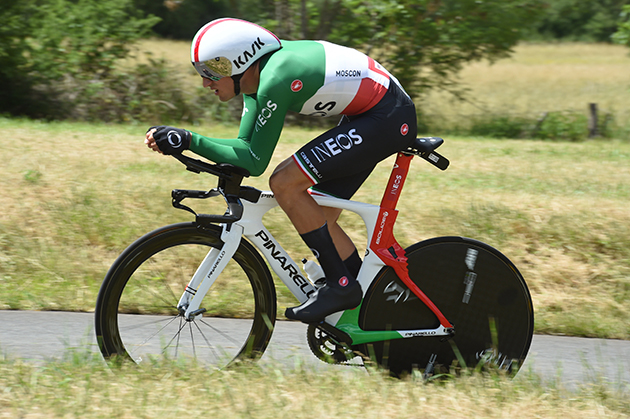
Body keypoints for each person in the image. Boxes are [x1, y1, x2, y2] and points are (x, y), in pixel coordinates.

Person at [145, 18, 418, 323]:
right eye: (201, 73)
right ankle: (367, 305)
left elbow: (254, 161)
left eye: (211, 73)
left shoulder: (276, 77)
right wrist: (185, 142)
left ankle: (342, 287)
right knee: (320, 215)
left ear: (240, 62)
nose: (205, 83)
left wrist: (189, 140)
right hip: (373, 115)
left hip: (388, 116)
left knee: (285, 182)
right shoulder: (254, 80)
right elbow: (243, 148)